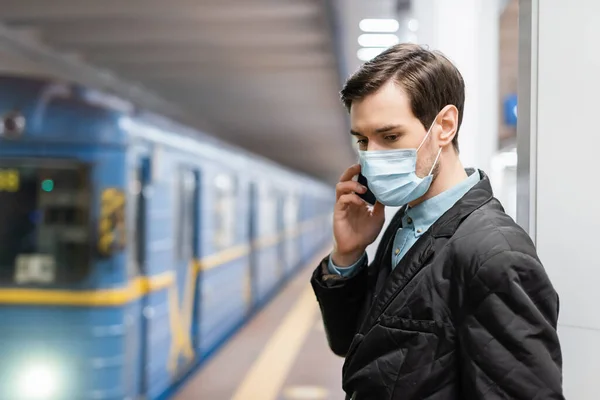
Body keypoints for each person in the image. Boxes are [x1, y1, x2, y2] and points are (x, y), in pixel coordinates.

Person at [310, 43, 563, 399]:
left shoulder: (494, 254)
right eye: (363, 141)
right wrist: (347, 256)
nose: (371, 158)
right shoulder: (404, 225)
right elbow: (355, 344)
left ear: (444, 126)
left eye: (390, 136)